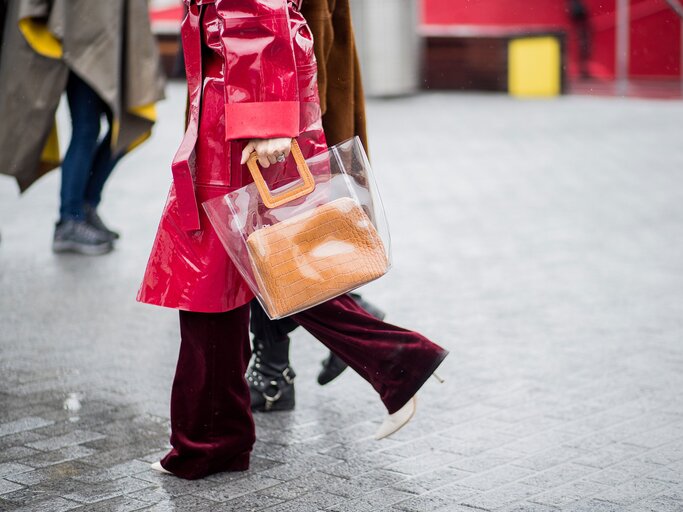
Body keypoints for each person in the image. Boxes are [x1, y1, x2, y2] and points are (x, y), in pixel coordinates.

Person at [137, 0, 447, 480]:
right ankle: (212, 438)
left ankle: (212, 439)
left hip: (242, 117)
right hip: (236, 107)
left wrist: (268, 119)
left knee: (253, 269)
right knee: (232, 276)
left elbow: (254, 11)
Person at [247, 0, 384, 412]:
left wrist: (287, 122)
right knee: (266, 239)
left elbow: (305, 31)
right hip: (284, 103)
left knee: (269, 239)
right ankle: (275, 368)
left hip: (286, 111)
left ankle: (277, 370)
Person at [0, 0, 165, 254]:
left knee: (126, 126)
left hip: (105, 41)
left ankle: (84, 207)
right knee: (87, 128)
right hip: (78, 45)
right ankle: (70, 219)